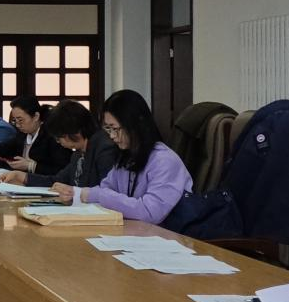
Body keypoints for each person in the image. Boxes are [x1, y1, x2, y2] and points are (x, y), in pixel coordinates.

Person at [51, 89, 191, 224]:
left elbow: (149, 212)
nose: (111, 136)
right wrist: (76, 195)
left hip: (168, 235)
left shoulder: (164, 160)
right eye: (108, 129)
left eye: (115, 128)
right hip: (135, 232)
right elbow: (106, 188)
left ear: (135, 124)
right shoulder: (127, 157)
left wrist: (97, 195)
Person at [0, 99, 119, 189]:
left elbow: (106, 191)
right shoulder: (78, 152)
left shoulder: (104, 148)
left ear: (73, 130)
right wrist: (21, 176)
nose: (58, 142)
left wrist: (74, 193)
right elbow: (57, 180)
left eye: (59, 137)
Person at [0, 97, 72, 178]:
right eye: (14, 121)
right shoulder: (22, 134)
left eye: (20, 120)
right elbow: (3, 148)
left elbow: (62, 170)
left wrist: (31, 166)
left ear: (36, 116)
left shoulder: (52, 136)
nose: (17, 125)